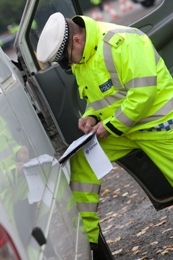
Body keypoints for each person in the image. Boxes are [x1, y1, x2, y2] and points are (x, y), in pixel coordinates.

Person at [36, 12, 173, 247]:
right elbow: (99, 97)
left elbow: (143, 94)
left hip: (157, 123)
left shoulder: (121, 41)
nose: (69, 65)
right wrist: (90, 115)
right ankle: (88, 243)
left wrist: (110, 126)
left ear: (77, 40)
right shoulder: (83, 56)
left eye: (67, 59)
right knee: (82, 164)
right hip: (123, 128)